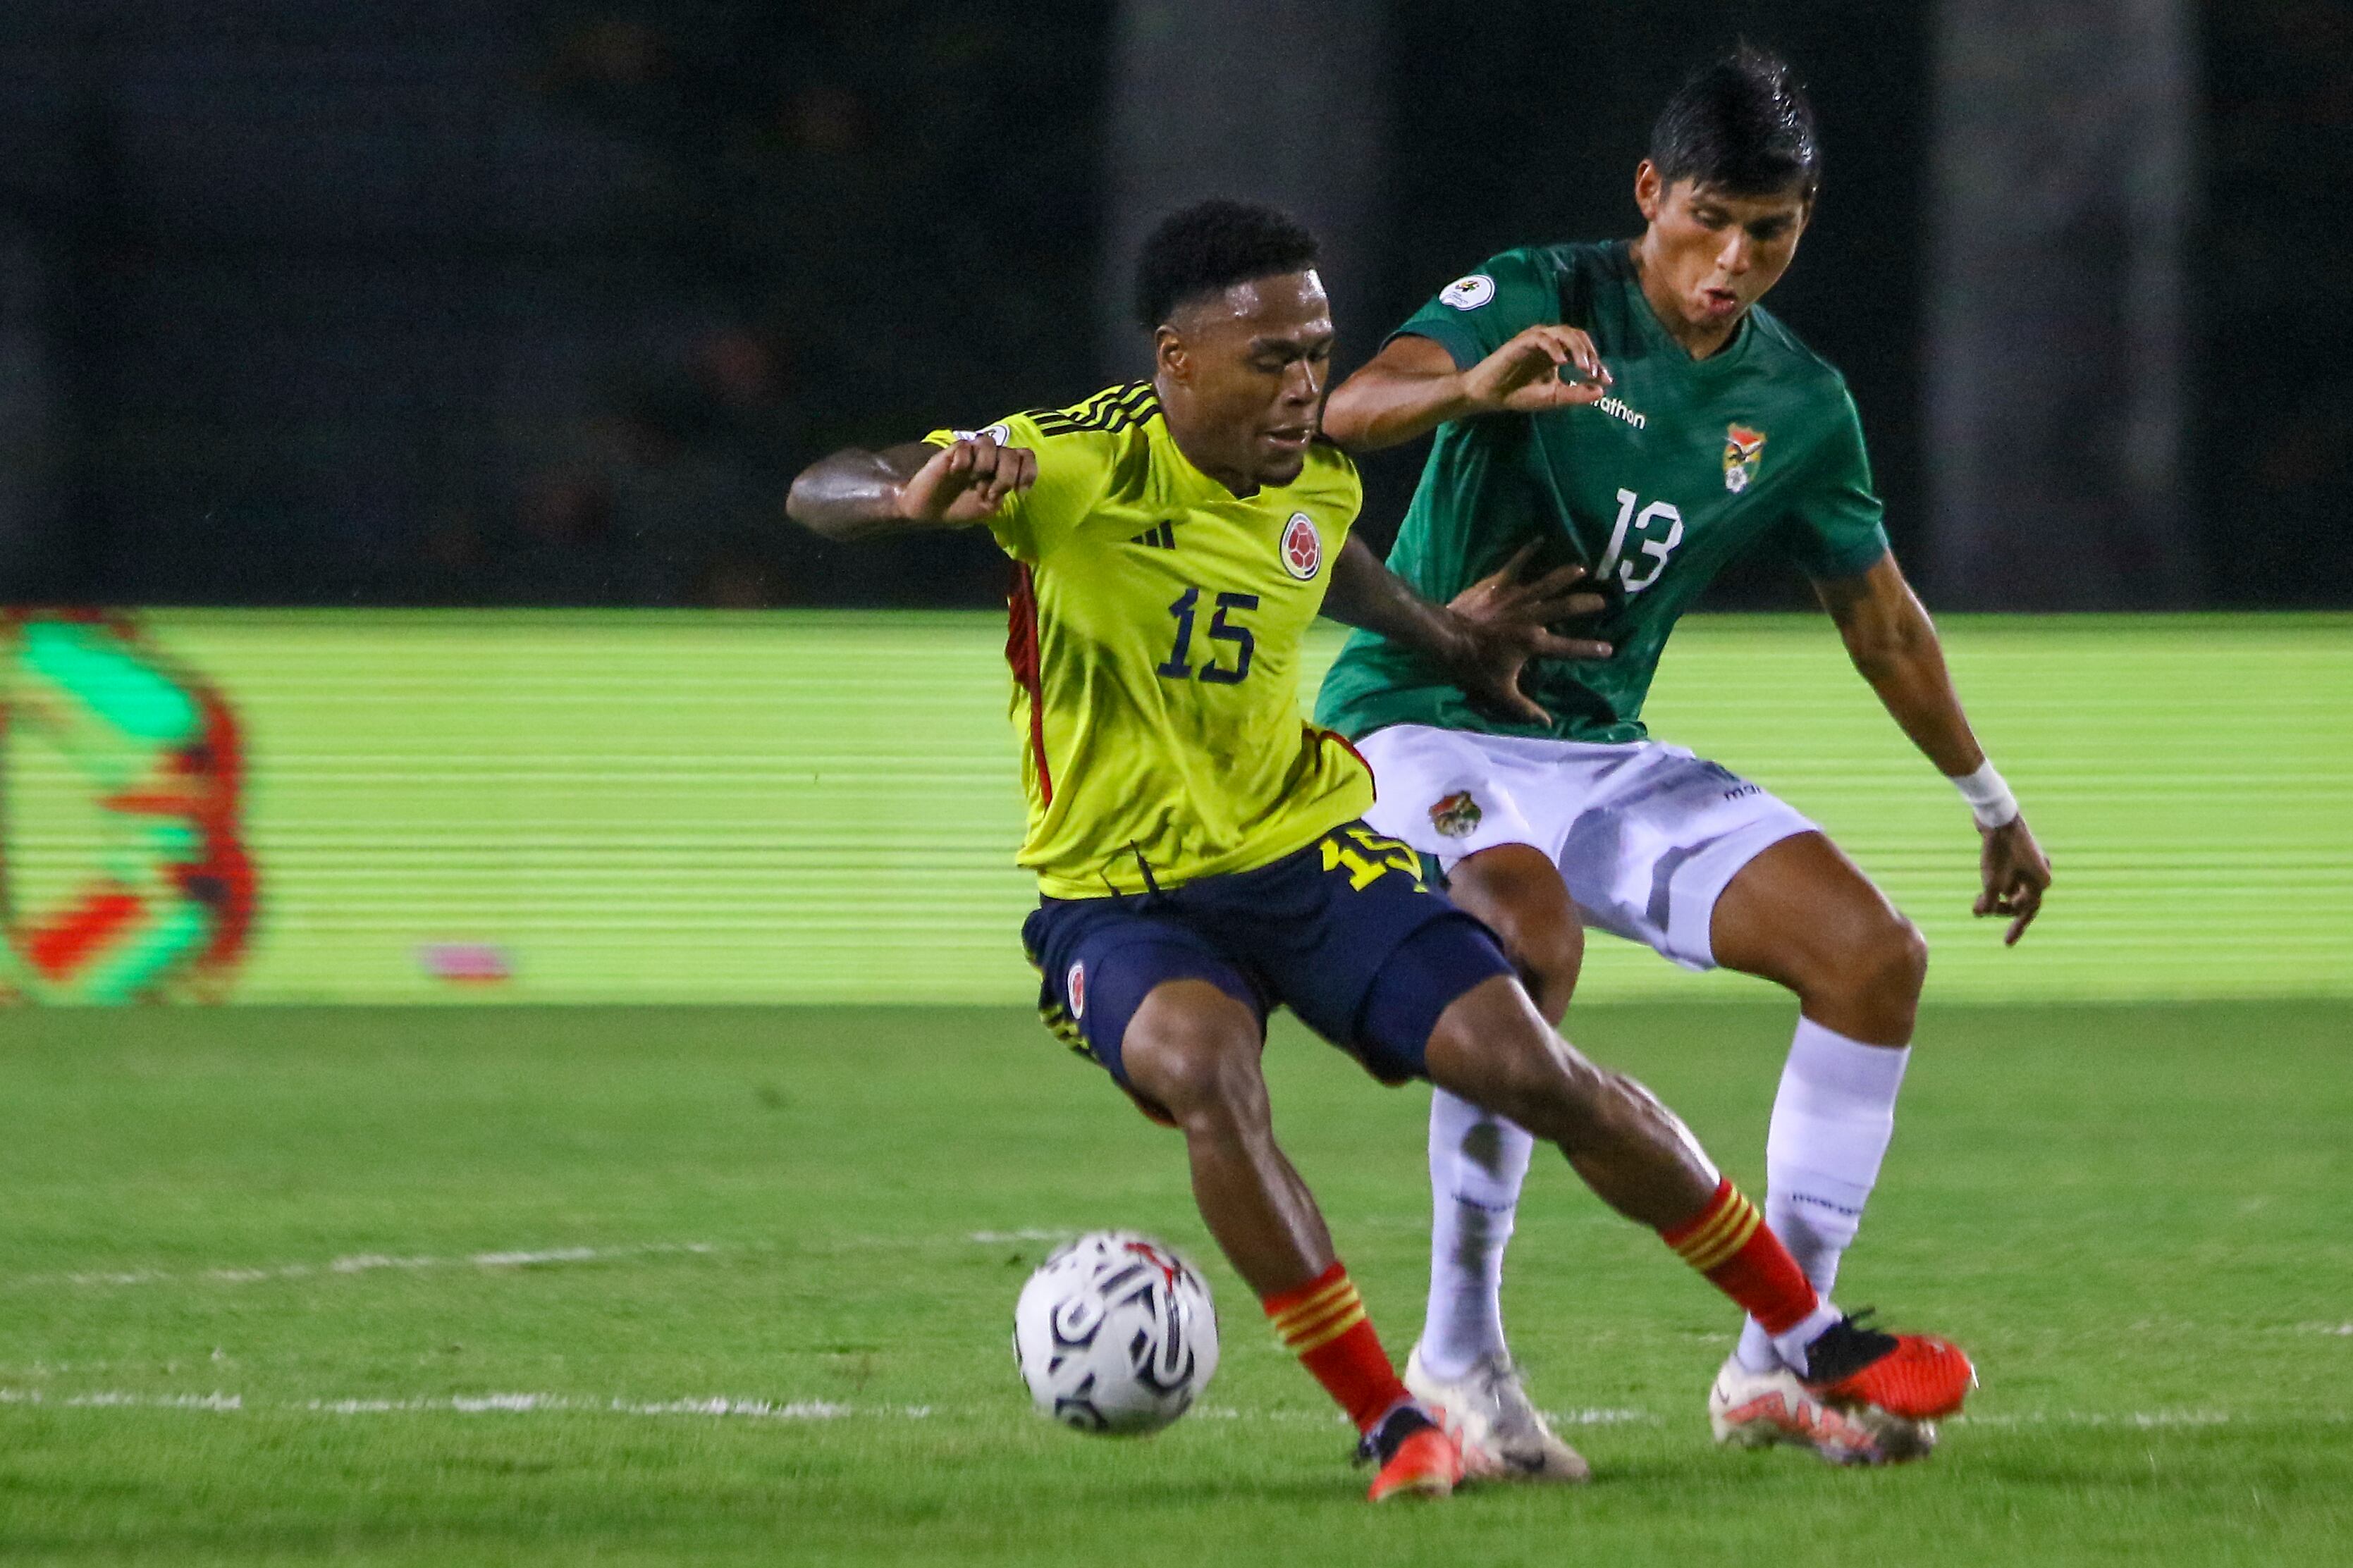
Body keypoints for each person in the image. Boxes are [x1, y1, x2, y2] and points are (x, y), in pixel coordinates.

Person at [786, 198, 1974, 1502]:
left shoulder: (1317, 470)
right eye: (1272, 358)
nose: (1307, 385)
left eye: (1316, 350)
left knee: (1524, 1059)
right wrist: (904, 495)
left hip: (1301, 855)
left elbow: (1319, 558)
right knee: (1203, 1061)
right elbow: (819, 487)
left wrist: (1442, 634)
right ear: (1176, 361)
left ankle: (1810, 1340)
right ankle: (1391, 1420)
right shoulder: (1069, 467)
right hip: (1120, 895)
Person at [1313, 49, 2050, 1475]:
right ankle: (1458, 1359)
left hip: (1594, 754)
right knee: (1518, 944)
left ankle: (1779, 1359)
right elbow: (1352, 406)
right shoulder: (1543, 291)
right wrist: (1471, 389)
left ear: (1801, 225)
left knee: (1871, 957)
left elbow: (1881, 622)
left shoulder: (1799, 404)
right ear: (1649, 196)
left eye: (1765, 234)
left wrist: (1990, 803)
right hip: (1414, 714)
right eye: (1704, 220)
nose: (1728, 261)